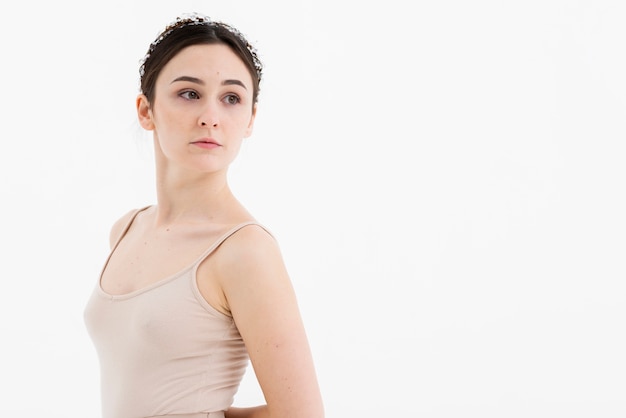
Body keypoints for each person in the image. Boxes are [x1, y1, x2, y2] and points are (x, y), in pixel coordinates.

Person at [84, 13, 324, 418]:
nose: (211, 116)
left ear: (249, 120)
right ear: (146, 110)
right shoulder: (126, 229)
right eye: (190, 94)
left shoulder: (245, 250)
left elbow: (302, 414)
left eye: (231, 98)